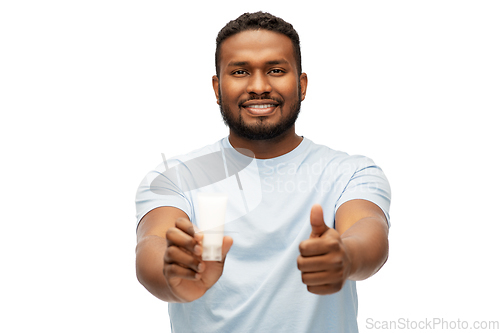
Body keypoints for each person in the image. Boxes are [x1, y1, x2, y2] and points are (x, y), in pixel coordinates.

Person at [135, 11, 391, 333]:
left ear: (302, 84)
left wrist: (346, 256)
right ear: (217, 87)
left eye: (276, 70)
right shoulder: (176, 177)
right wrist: (172, 270)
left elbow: (370, 231)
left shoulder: (349, 172)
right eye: (240, 71)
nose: (259, 86)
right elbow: (151, 247)